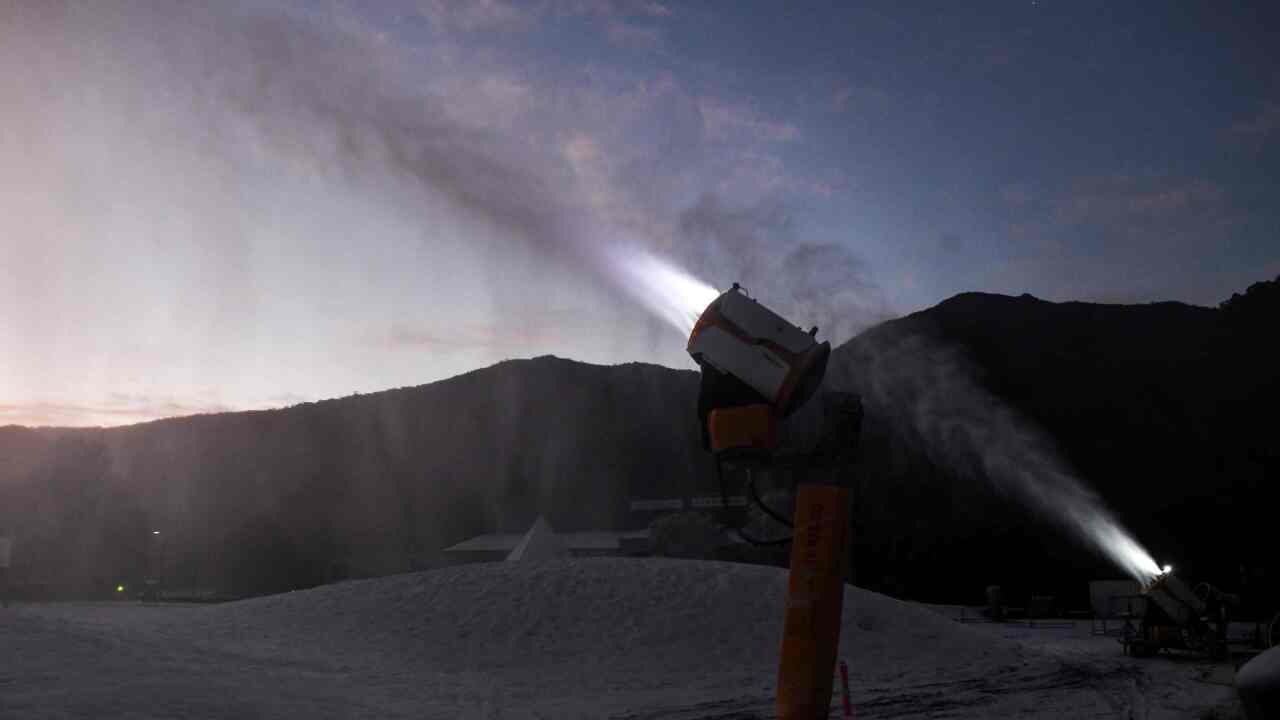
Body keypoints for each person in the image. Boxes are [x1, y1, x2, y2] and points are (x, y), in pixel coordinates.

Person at [0, 530, 12, 608]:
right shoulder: (8, 542)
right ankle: (5, 602)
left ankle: (5, 602)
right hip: (6, 565)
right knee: (4, 584)